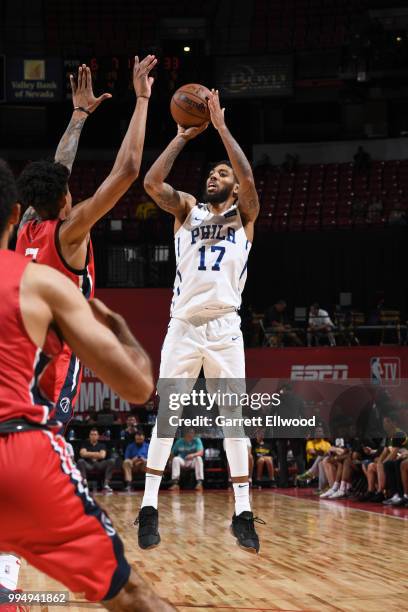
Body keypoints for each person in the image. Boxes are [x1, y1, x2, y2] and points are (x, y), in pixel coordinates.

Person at [0, 160, 174, 610]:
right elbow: (138, 387)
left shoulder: (37, 240)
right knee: (131, 595)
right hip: (18, 450)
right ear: (16, 214)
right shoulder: (43, 280)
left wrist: (78, 119)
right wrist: (120, 331)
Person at [136, 89, 263, 553]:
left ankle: (243, 512)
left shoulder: (244, 213)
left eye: (221, 172)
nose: (215, 175)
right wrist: (181, 137)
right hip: (184, 326)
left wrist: (223, 129)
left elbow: (247, 177)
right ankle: (149, 507)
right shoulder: (186, 209)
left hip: (226, 328)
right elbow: (151, 183)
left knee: (234, 421)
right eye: (212, 172)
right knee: (167, 417)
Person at [15, 55, 156, 428]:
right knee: (48, 442)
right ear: (64, 200)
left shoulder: (24, 228)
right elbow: (126, 170)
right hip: (57, 357)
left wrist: (79, 116)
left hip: (21, 353)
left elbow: (60, 168)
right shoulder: (69, 231)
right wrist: (142, 100)